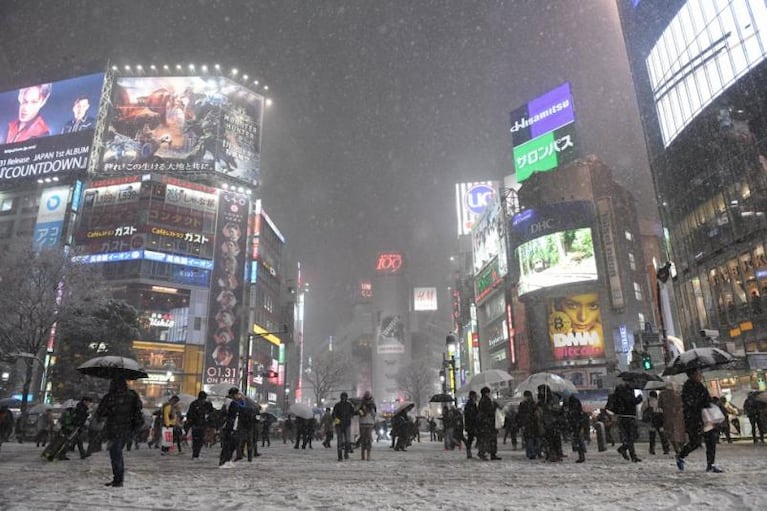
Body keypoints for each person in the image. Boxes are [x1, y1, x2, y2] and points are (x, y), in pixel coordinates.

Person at [95, 377, 143, 487]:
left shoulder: (110, 397)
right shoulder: (132, 395)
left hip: (114, 428)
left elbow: (101, 412)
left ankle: (118, 479)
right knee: (117, 453)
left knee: (115, 454)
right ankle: (118, 478)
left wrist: (111, 409)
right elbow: (139, 408)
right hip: (127, 429)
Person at [676, 368, 722, 473]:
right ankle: (681, 455)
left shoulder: (701, 386)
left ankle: (711, 464)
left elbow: (706, 400)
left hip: (706, 418)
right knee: (695, 442)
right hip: (694, 418)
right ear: (692, 375)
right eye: (698, 373)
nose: (700, 375)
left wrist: (710, 401)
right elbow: (690, 403)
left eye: (700, 373)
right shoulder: (688, 387)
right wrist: (702, 403)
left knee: (711, 440)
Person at [610, 380, 642, 462]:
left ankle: (629, 452)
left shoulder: (618, 392)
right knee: (633, 436)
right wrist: (639, 398)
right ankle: (626, 451)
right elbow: (631, 402)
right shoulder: (627, 391)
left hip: (622, 417)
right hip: (629, 416)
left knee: (629, 437)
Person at [537, 384, 563, 462]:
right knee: (547, 439)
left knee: (553, 439)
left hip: (553, 421)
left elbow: (557, 409)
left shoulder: (553, 398)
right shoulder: (541, 399)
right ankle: (549, 454)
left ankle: (555, 454)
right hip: (545, 422)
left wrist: (549, 408)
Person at [219, 387, 243, 468]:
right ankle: (224, 461)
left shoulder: (228, 402)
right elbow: (233, 416)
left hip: (230, 426)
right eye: (237, 394)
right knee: (228, 445)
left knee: (230, 444)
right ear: (234, 394)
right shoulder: (232, 403)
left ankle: (227, 460)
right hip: (230, 426)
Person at [658, 383, 685, 454]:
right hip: (678, 416)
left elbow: (659, 405)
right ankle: (681, 447)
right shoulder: (677, 394)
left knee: (670, 434)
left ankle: (676, 449)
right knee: (679, 433)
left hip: (667, 416)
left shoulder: (662, 394)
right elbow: (682, 404)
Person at [186, 391, 213, 459]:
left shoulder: (198, 404)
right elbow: (190, 414)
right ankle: (195, 454)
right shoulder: (197, 404)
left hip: (199, 424)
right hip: (199, 424)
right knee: (198, 440)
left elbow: (189, 414)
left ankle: (196, 454)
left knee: (198, 440)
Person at [642, 390, 670, 455]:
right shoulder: (660, 401)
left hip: (652, 420)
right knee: (662, 435)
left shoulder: (647, 401)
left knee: (652, 436)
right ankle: (666, 449)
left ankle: (652, 449)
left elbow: (642, 409)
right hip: (660, 419)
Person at [477, 386, 501, 461]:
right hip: (488, 423)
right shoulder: (486, 401)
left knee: (486, 439)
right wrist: (494, 407)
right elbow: (489, 412)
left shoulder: (482, 401)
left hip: (485, 423)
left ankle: (488, 453)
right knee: (489, 439)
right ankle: (487, 453)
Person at [332, 392, 356, 461]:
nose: (343, 398)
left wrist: (349, 416)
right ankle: (340, 456)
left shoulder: (349, 405)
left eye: (345, 397)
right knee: (340, 441)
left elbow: (352, 412)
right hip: (339, 425)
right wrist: (336, 419)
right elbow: (334, 414)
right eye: (343, 397)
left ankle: (345, 453)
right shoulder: (337, 405)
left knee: (347, 440)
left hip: (346, 424)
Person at [518, 390, 540, 460]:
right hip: (532, 423)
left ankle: (531, 453)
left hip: (528, 424)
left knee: (529, 439)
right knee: (532, 439)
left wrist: (521, 423)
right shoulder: (533, 403)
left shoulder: (524, 404)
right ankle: (533, 452)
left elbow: (520, 414)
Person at [565, 394, 587, 463]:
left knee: (578, 440)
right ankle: (581, 454)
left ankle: (581, 455)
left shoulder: (572, 408)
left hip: (575, 424)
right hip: (577, 424)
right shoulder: (577, 408)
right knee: (579, 440)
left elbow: (570, 416)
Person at [357, 390, 377, 461]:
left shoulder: (373, 405)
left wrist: (371, 410)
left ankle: (368, 455)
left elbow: (374, 414)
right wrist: (363, 411)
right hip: (362, 423)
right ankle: (363, 455)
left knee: (369, 439)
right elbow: (358, 412)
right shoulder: (361, 404)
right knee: (363, 439)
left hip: (370, 423)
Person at [463, 390, 479, 459]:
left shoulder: (472, 404)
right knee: (471, 438)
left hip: (471, 424)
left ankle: (469, 452)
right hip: (471, 424)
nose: (476, 397)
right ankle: (469, 452)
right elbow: (470, 415)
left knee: (471, 438)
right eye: (475, 396)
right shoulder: (470, 404)